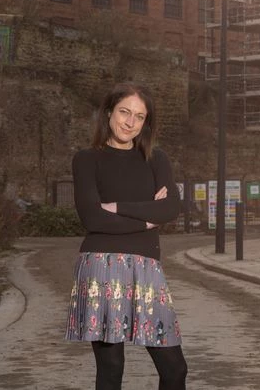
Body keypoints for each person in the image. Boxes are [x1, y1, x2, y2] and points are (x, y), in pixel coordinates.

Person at [65, 82, 187, 390]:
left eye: (139, 116)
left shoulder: (156, 159)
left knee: (175, 369)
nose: (130, 122)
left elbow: (171, 207)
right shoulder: (87, 159)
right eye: (124, 112)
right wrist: (147, 218)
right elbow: (92, 217)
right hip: (101, 266)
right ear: (108, 113)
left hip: (147, 268)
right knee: (111, 368)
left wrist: (118, 207)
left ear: (146, 123)